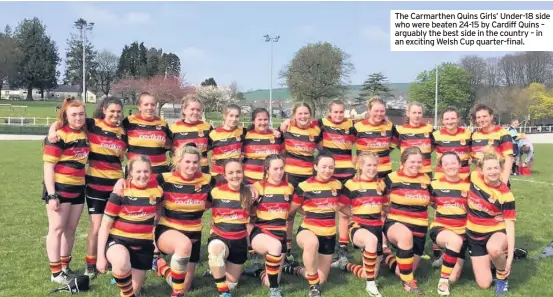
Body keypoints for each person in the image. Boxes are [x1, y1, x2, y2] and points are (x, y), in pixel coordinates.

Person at [47, 97, 128, 278]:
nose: (115, 115)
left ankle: (109, 260)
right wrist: (52, 130)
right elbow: (65, 119)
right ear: (104, 110)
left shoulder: (124, 131)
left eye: (118, 111)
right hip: (95, 184)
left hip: (117, 185)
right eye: (111, 111)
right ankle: (90, 264)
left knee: (116, 225)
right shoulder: (92, 124)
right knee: (96, 227)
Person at [96, 156, 163, 297]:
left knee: (135, 290)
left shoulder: (157, 190)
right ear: (130, 172)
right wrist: (100, 257)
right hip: (119, 241)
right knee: (121, 264)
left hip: (143, 245)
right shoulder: (121, 191)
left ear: (151, 173)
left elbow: (159, 209)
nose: (142, 175)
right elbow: (104, 226)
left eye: (146, 171)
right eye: (138, 171)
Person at [153, 144, 214, 297]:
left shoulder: (207, 180)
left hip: (194, 234)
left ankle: (161, 267)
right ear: (178, 162)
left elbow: (222, 195)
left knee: (183, 285)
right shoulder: (164, 178)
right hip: (168, 230)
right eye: (187, 162)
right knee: (183, 245)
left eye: (195, 162)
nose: (191, 165)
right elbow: (140, 186)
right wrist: (122, 183)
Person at [43, 98, 90, 285]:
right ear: (66, 116)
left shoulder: (84, 133)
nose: (78, 117)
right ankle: (55, 273)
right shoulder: (59, 136)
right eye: (74, 114)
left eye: (81, 114)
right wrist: (52, 194)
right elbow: (48, 168)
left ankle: (65, 266)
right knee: (57, 229)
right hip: (60, 188)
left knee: (70, 229)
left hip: (78, 187)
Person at [283, 153, 344, 297]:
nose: (327, 170)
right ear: (315, 166)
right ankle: (313, 287)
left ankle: (292, 269)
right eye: (323, 166)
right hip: (308, 231)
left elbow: (342, 206)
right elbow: (292, 208)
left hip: (329, 235)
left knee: (322, 278)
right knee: (311, 243)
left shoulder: (337, 185)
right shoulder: (304, 186)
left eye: (331, 167)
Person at [332, 152, 386, 297]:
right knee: (371, 241)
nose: (372, 168)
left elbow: (386, 207)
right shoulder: (351, 184)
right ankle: (370, 286)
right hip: (358, 226)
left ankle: (345, 265)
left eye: (375, 165)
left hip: (376, 226)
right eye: (369, 165)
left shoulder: (380, 184)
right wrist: (354, 215)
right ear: (361, 166)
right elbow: (340, 205)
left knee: (371, 272)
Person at [467, 146, 516, 296]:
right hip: (474, 236)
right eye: (489, 168)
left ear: (501, 169)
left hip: (495, 231)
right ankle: (494, 258)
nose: (493, 171)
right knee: (484, 284)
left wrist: (510, 259)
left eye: (496, 167)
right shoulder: (474, 177)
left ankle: (502, 277)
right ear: (481, 170)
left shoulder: (506, 195)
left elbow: (510, 225)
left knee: (494, 248)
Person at [382, 146, 432, 295]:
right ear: (403, 162)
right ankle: (409, 283)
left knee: (400, 270)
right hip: (396, 223)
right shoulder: (391, 178)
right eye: (412, 162)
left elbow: (435, 201)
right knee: (405, 236)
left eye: (419, 162)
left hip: (420, 228)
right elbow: (377, 199)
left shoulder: (426, 178)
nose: (416, 165)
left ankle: (386, 257)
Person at [247, 154, 294, 297]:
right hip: (262, 233)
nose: (279, 172)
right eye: (275, 169)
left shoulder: (289, 188)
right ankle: (274, 291)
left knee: (269, 280)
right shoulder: (258, 187)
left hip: (282, 235)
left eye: (281, 168)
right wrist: (247, 187)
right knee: (274, 247)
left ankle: (259, 272)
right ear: (267, 170)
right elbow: (242, 202)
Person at [280, 103, 321, 264]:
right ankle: (288, 248)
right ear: (294, 115)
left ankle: (311, 242)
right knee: (288, 213)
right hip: (290, 177)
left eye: (306, 113)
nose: (303, 116)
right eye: (300, 114)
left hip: (309, 177)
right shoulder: (287, 127)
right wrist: (284, 122)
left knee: (310, 210)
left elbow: (323, 150)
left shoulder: (316, 129)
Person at [207, 159, 253, 297]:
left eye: (238, 172)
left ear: (243, 173)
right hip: (220, 237)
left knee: (231, 284)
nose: (235, 176)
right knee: (216, 251)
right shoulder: (215, 192)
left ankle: (217, 270)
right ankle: (223, 292)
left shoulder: (250, 194)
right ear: (225, 176)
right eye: (231, 173)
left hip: (239, 243)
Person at [429, 152, 470, 296]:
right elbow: (431, 203)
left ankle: (446, 258)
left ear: (460, 164)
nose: (450, 166)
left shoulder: (468, 186)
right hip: (441, 229)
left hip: (462, 232)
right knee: (454, 240)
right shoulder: (434, 184)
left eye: (453, 162)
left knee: (455, 278)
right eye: (446, 164)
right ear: (441, 167)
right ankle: (442, 281)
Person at [122, 92, 171, 176]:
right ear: (139, 106)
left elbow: (170, 145)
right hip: (135, 170)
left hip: (158, 170)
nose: (150, 107)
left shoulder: (163, 124)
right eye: (146, 104)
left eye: (152, 105)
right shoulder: (128, 122)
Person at [470, 104, 514, 186]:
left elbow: (509, 159)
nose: (482, 120)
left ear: (491, 116)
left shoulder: (502, 133)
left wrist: (504, 182)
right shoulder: (474, 135)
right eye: (478, 117)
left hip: (497, 181)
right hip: (479, 183)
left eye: (484, 116)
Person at [169, 95, 212, 174]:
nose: (195, 112)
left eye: (198, 110)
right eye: (192, 109)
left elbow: (214, 146)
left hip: (202, 171)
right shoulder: (173, 128)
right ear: (184, 110)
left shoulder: (207, 127)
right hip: (179, 171)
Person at [208, 104, 248, 186]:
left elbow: (259, 129)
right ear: (224, 116)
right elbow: (206, 153)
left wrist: (273, 130)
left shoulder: (242, 131)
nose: (234, 119)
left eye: (237, 116)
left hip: (235, 175)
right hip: (218, 175)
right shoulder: (213, 134)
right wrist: (211, 159)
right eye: (231, 116)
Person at [243, 108, 283, 184]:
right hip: (249, 182)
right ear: (253, 121)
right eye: (260, 120)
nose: (263, 122)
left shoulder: (277, 136)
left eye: (265, 119)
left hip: (270, 182)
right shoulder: (245, 135)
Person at [395, 102, 435, 179]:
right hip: (406, 173)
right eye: (414, 113)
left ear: (422, 114)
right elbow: (398, 147)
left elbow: (435, 145)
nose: (417, 115)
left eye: (419, 113)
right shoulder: (400, 130)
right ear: (408, 114)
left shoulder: (429, 129)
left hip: (425, 173)